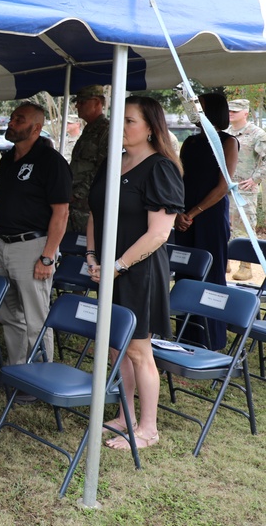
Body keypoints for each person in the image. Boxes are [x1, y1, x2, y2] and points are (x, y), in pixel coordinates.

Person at [86, 95, 184, 450]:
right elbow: (95, 212)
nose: (121, 127)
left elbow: (159, 233)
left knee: (139, 350)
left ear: (151, 128)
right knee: (116, 347)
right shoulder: (112, 162)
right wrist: (92, 256)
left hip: (138, 270)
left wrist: (119, 265)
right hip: (108, 267)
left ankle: (147, 429)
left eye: (129, 121)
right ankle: (124, 414)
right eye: (119, 120)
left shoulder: (160, 168)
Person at [0, 102, 71, 372]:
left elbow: (61, 213)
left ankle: (42, 375)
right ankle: (18, 370)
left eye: (19, 119)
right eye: (11, 118)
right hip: (2, 244)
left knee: (36, 317)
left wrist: (47, 257)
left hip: (33, 246)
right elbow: (0, 208)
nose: (11, 123)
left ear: (36, 127)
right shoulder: (7, 160)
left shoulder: (51, 162)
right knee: (9, 314)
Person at [174, 93, 238, 350]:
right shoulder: (189, 142)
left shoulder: (228, 142)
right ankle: (185, 335)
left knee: (210, 275)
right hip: (185, 217)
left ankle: (211, 339)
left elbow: (224, 186)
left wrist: (193, 213)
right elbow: (180, 179)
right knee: (185, 275)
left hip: (209, 217)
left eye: (198, 106)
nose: (193, 110)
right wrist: (179, 211)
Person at [226, 98, 266, 280]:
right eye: (230, 110)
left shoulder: (257, 134)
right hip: (224, 189)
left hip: (244, 190)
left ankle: (246, 266)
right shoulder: (225, 133)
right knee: (224, 225)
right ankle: (224, 259)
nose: (231, 113)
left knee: (246, 227)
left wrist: (255, 179)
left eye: (235, 110)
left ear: (246, 113)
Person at [69, 85, 110, 233]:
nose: (77, 105)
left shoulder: (106, 130)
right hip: (75, 203)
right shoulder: (89, 129)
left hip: (87, 205)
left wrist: (77, 194)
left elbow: (103, 169)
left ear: (98, 102)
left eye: (82, 102)